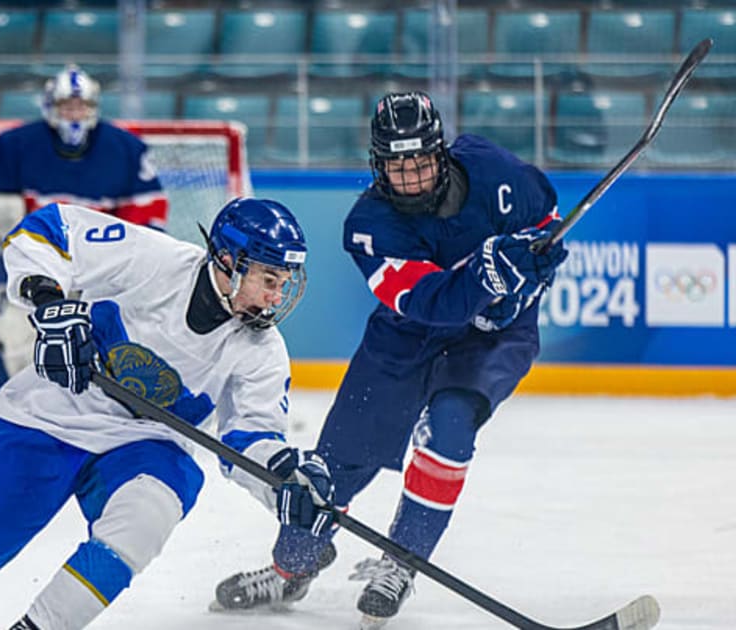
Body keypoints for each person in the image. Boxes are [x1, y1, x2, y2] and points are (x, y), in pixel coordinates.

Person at [0, 198, 331, 630]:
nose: (276, 296)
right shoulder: (155, 261)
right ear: (229, 262)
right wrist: (49, 305)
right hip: (50, 412)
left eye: (284, 284)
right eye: (268, 279)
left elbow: (250, 440)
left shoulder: (261, 350)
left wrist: (286, 480)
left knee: (145, 518)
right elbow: (45, 231)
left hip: (145, 442)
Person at [210, 92, 568, 628]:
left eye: (421, 161)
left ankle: (400, 563)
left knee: (449, 429)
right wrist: (487, 279)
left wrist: (524, 287)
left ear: (441, 153)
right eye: (398, 167)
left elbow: (546, 223)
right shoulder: (369, 227)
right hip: (406, 339)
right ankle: (290, 570)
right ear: (379, 168)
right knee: (332, 470)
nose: (413, 177)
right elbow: (431, 303)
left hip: (491, 342)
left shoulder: (494, 172)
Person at [0, 63, 169, 427]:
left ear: (94, 108)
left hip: (99, 268)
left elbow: (150, 213)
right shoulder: (17, 145)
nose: (74, 115)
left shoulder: (125, 149)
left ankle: (114, 414)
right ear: (50, 108)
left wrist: (125, 263)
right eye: (67, 107)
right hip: (42, 262)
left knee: (110, 333)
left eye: (81, 107)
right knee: (10, 323)